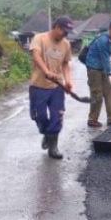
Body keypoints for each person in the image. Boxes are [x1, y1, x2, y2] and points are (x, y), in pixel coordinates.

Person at [29, 16, 75, 160]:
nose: (65, 35)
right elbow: (36, 56)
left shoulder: (66, 44)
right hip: (39, 86)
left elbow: (65, 64)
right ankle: (47, 134)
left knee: (57, 116)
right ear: (56, 27)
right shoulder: (40, 38)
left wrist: (68, 81)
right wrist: (46, 71)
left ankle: (53, 147)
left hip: (57, 87)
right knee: (40, 116)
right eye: (64, 31)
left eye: (67, 32)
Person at [84, 19, 111, 128]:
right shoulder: (103, 40)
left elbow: (107, 60)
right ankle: (92, 119)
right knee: (97, 95)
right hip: (94, 70)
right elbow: (105, 60)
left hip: (102, 68)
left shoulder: (110, 40)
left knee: (109, 92)